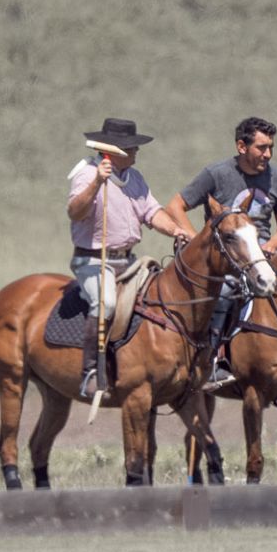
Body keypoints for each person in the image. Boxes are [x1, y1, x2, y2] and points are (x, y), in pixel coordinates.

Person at [163, 116, 277, 392]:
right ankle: (214, 360)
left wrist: (270, 246)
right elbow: (175, 206)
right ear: (241, 146)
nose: (268, 154)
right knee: (224, 294)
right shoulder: (216, 174)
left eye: (271, 147)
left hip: (261, 256)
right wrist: (194, 240)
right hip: (226, 257)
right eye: (261, 147)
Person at [67, 118, 193, 399]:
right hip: (94, 261)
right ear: (116, 150)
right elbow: (75, 212)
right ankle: (90, 370)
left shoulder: (134, 178)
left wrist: (175, 230)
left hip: (128, 261)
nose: (137, 151)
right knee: (106, 303)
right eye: (132, 147)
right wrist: (97, 183)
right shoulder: (87, 174)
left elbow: (152, 212)